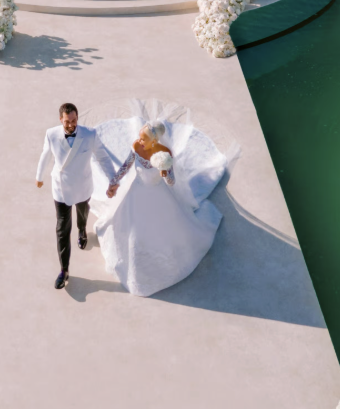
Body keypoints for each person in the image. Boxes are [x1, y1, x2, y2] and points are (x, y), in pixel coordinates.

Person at [94, 117, 223, 298]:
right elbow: (126, 166)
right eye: (140, 137)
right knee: (132, 229)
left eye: (144, 138)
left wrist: (165, 173)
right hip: (136, 194)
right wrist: (113, 182)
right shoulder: (136, 146)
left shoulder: (165, 153)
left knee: (161, 230)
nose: (140, 140)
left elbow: (171, 182)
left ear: (154, 140)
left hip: (158, 196)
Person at [35, 103, 116, 290]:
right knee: (62, 229)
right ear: (60, 120)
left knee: (82, 213)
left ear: (77, 118)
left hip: (82, 186)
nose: (71, 125)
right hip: (61, 188)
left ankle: (82, 230)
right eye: (67, 122)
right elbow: (45, 155)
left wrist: (112, 180)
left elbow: (103, 157)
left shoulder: (89, 134)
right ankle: (64, 270)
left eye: (74, 121)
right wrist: (39, 177)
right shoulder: (51, 134)